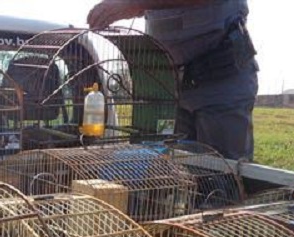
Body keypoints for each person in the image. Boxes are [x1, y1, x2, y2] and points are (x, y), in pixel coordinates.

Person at [87, 0, 258, 161]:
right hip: (170, 85)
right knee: (178, 171)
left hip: (220, 80)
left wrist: (135, 3)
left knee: (224, 173)